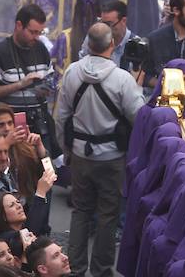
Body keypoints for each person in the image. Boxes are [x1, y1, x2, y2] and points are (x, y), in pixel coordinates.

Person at [55, 22, 143, 277]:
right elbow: (139, 117)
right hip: (113, 157)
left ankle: (75, 268)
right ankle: (102, 270)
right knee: (108, 215)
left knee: (81, 211)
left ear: (88, 44)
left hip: (81, 154)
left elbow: (62, 117)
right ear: (112, 45)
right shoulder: (123, 80)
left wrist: (66, 149)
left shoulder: (72, 73)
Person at [0, 5, 55, 153]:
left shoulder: (41, 50)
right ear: (19, 25)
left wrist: (47, 88)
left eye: (40, 33)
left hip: (39, 127)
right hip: (8, 131)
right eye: (32, 32)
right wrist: (20, 84)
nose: (36, 37)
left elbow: (50, 78)